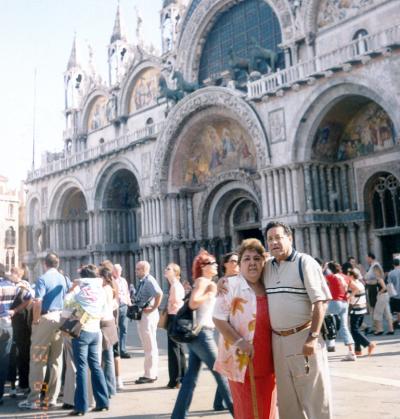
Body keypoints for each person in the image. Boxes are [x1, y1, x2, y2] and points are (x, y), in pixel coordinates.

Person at [264, 221, 332, 419]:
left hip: (303, 338)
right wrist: (224, 283)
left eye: (278, 237)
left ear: (290, 238)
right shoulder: (267, 267)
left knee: (315, 398)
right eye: (270, 239)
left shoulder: (305, 262)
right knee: (287, 403)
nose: (274, 242)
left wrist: (313, 337)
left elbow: (320, 303)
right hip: (278, 341)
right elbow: (246, 277)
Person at [214, 239, 277, 419]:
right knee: (248, 411)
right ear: (239, 264)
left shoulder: (270, 284)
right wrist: (240, 342)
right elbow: (218, 319)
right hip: (242, 360)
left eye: (257, 259)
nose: (252, 263)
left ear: (264, 262)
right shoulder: (230, 286)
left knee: (267, 409)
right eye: (246, 259)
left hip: (269, 359)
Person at [171, 250, 233, 419]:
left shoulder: (207, 282)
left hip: (199, 334)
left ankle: (178, 415)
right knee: (222, 373)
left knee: (191, 377)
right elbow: (192, 302)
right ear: (203, 266)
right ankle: (239, 413)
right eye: (212, 263)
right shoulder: (203, 281)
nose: (216, 266)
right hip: (202, 335)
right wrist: (209, 292)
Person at [19, 252, 71, 410]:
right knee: (56, 360)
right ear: (58, 263)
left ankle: (34, 399)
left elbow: (37, 302)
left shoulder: (42, 279)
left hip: (46, 318)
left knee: (37, 359)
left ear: (44, 264)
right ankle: (52, 398)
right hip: (60, 317)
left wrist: (35, 321)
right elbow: (69, 291)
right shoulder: (63, 278)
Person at [66, 264, 109, 416]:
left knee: (82, 369)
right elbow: (105, 312)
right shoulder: (101, 291)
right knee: (95, 366)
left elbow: (67, 304)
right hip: (96, 331)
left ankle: (81, 406)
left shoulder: (80, 292)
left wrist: (72, 289)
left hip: (82, 332)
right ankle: (103, 401)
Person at [0, 263, 32, 405]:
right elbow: (30, 296)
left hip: (12, 324)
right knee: (5, 359)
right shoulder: (14, 286)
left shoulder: (10, 285)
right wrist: (15, 310)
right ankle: (2, 393)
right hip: (8, 324)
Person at [134, 261, 163, 384]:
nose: (136, 272)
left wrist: (153, 308)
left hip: (148, 315)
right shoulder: (144, 281)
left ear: (144, 269)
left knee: (149, 345)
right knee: (147, 345)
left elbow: (159, 294)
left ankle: (150, 374)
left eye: (138, 269)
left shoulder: (149, 280)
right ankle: (149, 372)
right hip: (144, 315)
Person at [8, 266, 32, 396]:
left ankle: (22, 383)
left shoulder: (21, 287)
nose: (10, 274)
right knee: (21, 353)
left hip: (20, 322)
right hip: (21, 322)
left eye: (12, 272)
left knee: (20, 353)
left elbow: (28, 300)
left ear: (18, 274)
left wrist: (15, 310)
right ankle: (21, 383)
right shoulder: (24, 286)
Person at [325, 261, 357, 361]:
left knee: (320, 316)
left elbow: (319, 278)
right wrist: (349, 296)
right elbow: (356, 288)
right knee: (344, 327)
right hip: (344, 302)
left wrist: (324, 267)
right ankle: (351, 352)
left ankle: (330, 341)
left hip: (335, 302)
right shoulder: (346, 277)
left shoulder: (331, 277)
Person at [164, 263, 187, 389]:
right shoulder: (175, 285)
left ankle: (175, 379)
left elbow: (177, 302)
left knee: (173, 349)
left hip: (174, 316)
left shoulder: (175, 286)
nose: (165, 270)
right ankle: (183, 375)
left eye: (168, 269)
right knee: (179, 348)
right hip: (175, 317)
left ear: (175, 272)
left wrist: (171, 305)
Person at [99, 266, 119, 398]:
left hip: (104, 323)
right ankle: (111, 388)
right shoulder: (111, 289)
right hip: (110, 322)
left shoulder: (103, 290)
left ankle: (108, 388)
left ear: (103, 278)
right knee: (109, 357)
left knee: (106, 358)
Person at [347, 269, 376, 356]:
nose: (347, 276)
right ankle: (358, 350)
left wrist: (349, 297)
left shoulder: (353, 284)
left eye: (349, 275)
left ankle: (369, 344)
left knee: (354, 330)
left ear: (352, 276)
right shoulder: (360, 283)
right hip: (362, 309)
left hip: (356, 309)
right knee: (356, 330)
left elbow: (352, 296)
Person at [113, 264, 132, 358]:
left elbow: (127, 292)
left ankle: (123, 350)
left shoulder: (124, 281)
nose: (117, 272)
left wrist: (129, 304)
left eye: (119, 271)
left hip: (124, 306)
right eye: (115, 270)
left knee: (124, 328)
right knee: (115, 329)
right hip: (115, 307)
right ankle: (115, 350)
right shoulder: (111, 281)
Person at [372, 266, 394, 335]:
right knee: (387, 312)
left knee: (377, 313)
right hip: (386, 296)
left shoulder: (379, 278)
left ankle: (379, 330)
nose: (373, 272)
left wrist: (379, 292)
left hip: (382, 296)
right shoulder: (381, 277)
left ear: (377, 271)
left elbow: (384, 287)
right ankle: (391, 329)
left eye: (374, 271)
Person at [364, 252, 383, 329]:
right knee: (373, 308)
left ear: (370, 258)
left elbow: (378, 277)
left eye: (367, 258)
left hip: (374, 288)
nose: (366, 259)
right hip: (372, 287)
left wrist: (366, 278)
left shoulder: (375, 266)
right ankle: (376, 327)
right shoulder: (373, 265)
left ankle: (377, 328)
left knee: (374, 308)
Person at [388, 258, 400, 327]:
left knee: (398, 310)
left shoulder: (390, 273)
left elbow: (389, 285)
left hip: (396, 294)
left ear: (393, 265)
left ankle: (398, 322)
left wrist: (390, 295)